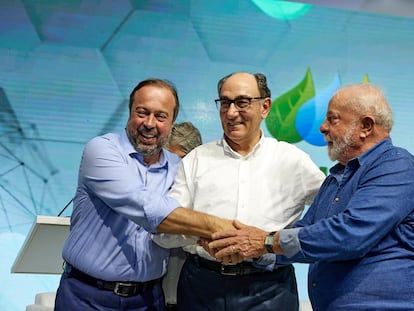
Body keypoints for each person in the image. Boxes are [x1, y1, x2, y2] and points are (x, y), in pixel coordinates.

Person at [209, 83, 414, 311]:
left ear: (366, 126)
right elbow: (304, 231)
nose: (322, 128)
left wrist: (265, 242)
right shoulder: (336, 176)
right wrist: (248, 250)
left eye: (333, 119)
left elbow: (351, 233)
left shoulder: (396, 166)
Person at [54, 78, 235, 311]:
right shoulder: (102, 150)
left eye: (161, 116)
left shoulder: (181, 168)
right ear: (130, 113)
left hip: (148, 300)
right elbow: (145, 206)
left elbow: (188, 219)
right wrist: (217, 226)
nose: (150, 123)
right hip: (87, 297)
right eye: (142, 112)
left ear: (171, 123)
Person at [154, 72, 325, 311]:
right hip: (201, 287)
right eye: (225, 103)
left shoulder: (293, 161)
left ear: (265, 107)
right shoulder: (196, 160)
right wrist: (205, 236)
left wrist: (275, 242)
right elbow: (162, 230)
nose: (232, 112)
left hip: (270, 289)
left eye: (242, 102)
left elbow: (332, 217)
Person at [163, 122, 203, 311]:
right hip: (154, 295)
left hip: (191, 294)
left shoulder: (205, 190)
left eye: (178, 160)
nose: (172, 167)